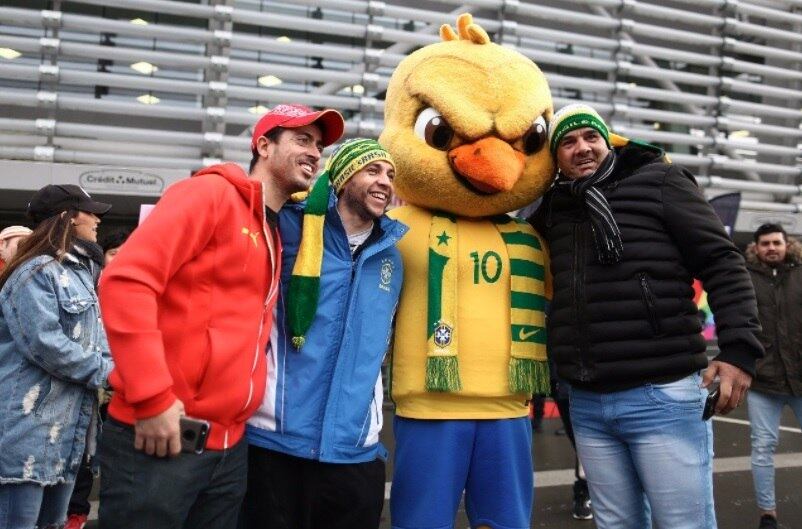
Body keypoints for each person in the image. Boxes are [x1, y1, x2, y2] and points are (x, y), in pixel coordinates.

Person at [97, 104, 345, 529]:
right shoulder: (208, 195)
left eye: (319, 146)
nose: (315, 153)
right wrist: (153, 398)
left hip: (229, 447)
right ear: (263, 146)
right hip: (164, 435)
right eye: (302, 140)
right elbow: (126, 282)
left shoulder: (274, 228)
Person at [530, 103, 763, 529]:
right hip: (587, 401)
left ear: (608, 141)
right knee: (616, 525)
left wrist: (739, 352)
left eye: (590, 137)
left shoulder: (659, 181)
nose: (581, 148)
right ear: (556, 158)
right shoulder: (553, 209)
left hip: (663, 393)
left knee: (683, 524)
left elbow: (722, 263)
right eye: (568, 142)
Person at [244, 138, 406, 529]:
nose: (384, 181)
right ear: (343, 178)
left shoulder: (392, 258)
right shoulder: (288, 227)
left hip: (354, 452)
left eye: (390, 174)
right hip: (274, 443)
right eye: (372, 170)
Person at [0, 184, 113, 529]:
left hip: (66, 438)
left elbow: (97, 339)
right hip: (27, 438)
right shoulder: (34, 272)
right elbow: (45, 345)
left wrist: (117, 370)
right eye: (90, 210)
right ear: (68, 217)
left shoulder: (79, 273)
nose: (96, 219)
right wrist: (112, 375)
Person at [65, 228, 132, 529]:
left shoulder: (142, 288)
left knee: (111, 461)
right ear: (103, 257)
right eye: (114, 252)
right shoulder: (86, 287)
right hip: (92, 384)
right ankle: (73, 516)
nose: (120, 259)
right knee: (79, 456)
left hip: (126, 387)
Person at [745, 223, 802, 529]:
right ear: (756, 247)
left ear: (786, 243)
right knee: (763, 448)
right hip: (763, 381)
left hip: (801, 377)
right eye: (765, 243)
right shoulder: (745, 277)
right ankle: (768, 515)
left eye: (776, 242)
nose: (771, 248)